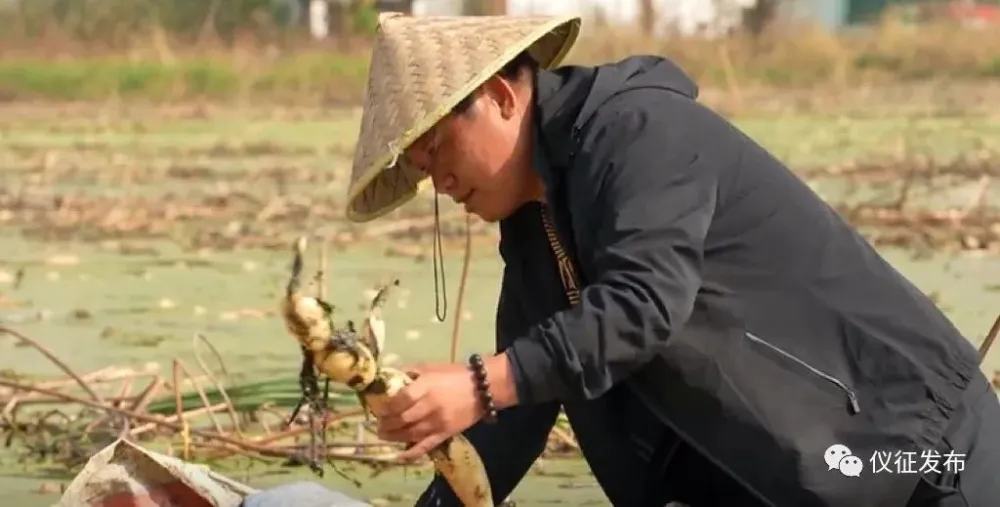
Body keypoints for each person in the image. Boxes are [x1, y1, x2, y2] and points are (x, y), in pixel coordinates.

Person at [341, 12, 1000, 507]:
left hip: (912, 454)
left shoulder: (638, 134)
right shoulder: (534, 227)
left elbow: (642, 305)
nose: (442, 184)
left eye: (438, 152)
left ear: (502, 99)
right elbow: (519, 413)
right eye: (424, 171)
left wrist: (480, 383)